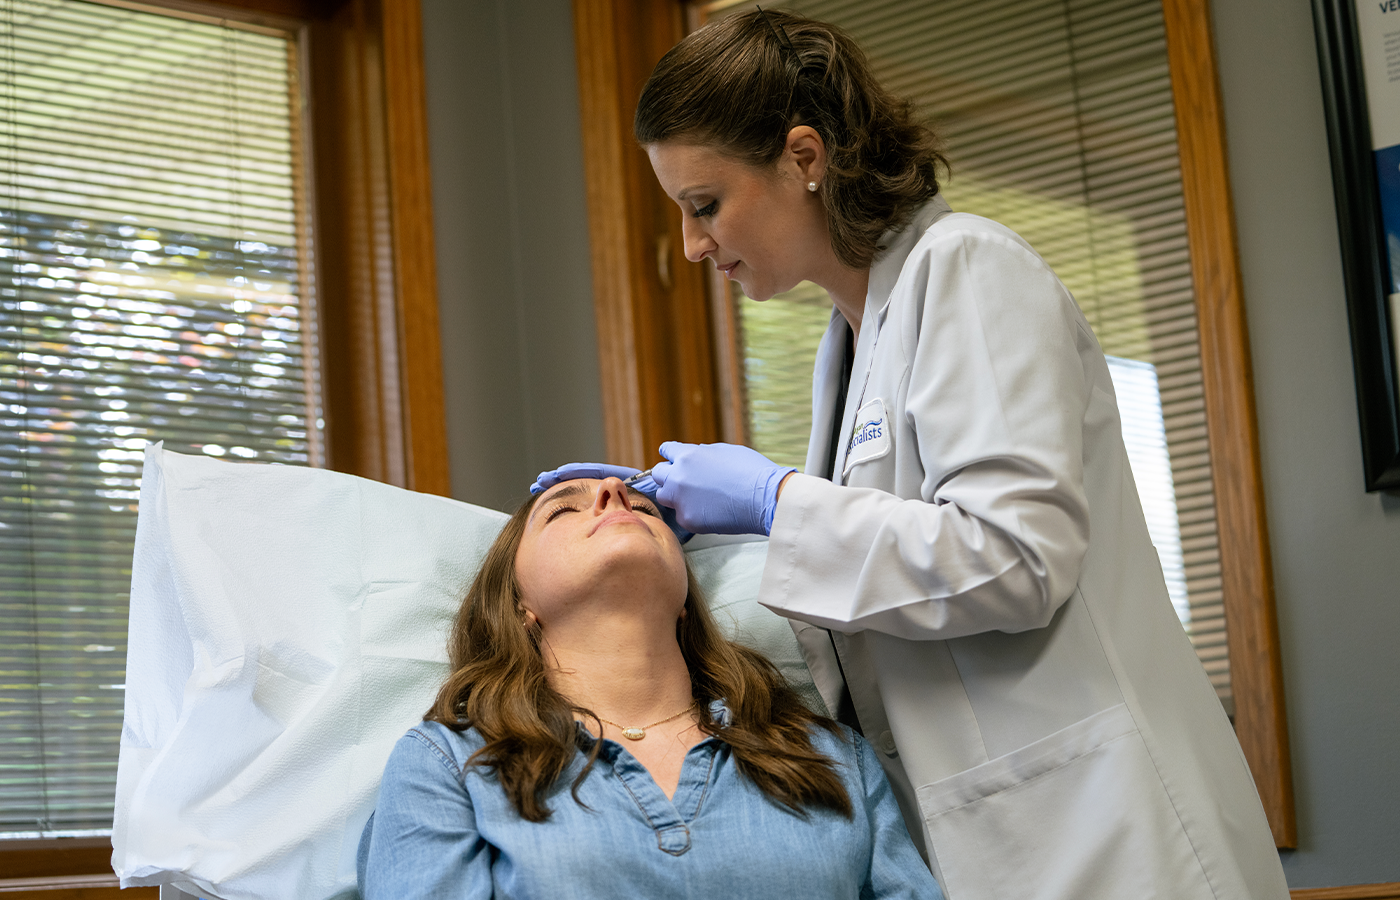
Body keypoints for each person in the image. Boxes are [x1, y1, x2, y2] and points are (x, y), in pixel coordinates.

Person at [533, 9, 1290, 900]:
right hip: (998, 834)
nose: (695, 243)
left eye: (705, 205)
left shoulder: (967, 268)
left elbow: (1015, 558)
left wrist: (777, 500)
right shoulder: (849, 345)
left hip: (1117, 831)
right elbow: (890, 571)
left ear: (803, 158)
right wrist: (713, 531)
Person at [357, 476, 941, 899]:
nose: (612, 493)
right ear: (520, 605)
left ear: (685, 597)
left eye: (643, 506)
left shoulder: (829, 756)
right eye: (562, 510)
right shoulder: (450, 764)